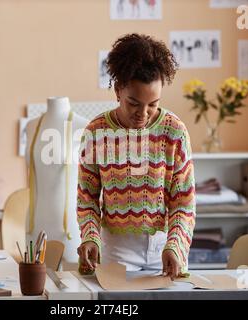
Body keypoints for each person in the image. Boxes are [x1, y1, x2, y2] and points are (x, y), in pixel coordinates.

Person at [77, 33, 196, 279]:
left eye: (153, 104)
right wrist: (90, 236)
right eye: (134, 103)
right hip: (116, 252)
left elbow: (183, 203)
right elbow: (87, 197)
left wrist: (175, 245)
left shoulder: (174, 132)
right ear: (118, 90)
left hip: (165, 250)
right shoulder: (96, 132)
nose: (144, 113)